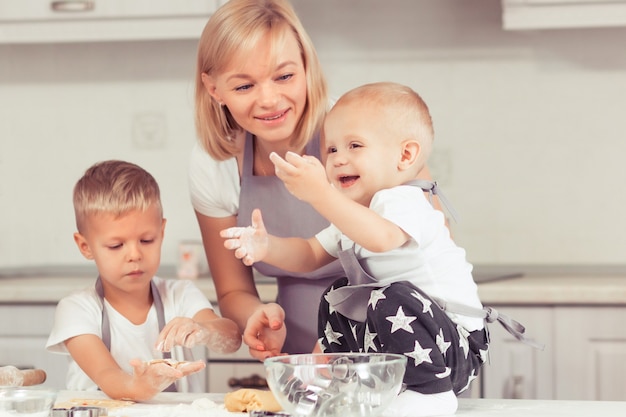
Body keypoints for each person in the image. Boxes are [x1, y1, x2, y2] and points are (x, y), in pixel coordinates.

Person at [189, 0, 443, 360]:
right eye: (244, 86)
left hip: (399, 340)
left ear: (307, 66)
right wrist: (257, 317)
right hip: (297, 349)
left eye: (285, 76)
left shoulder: (364, 135)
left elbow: (427, 245)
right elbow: (232, 291)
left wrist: (343, 340)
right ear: (214, 89)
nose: (269, 99)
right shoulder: (214, 163)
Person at [221, 82, 489, 416]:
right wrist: (267, 246)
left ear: (405, 156)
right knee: (338, 294)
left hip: (456, 348)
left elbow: (382, 239)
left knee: (387, 296)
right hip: (409, 346)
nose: (338, 159)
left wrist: (321, 194)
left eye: (355, 145)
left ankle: (431, 394)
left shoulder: (404, 200)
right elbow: (308, 255)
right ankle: (330, 380)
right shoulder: (357, 216)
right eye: (331, 149)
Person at [46, 160, 241, 401]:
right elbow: (108, 376)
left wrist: (204, 330)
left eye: (147, 240)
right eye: (116, 246)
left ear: (161, 232)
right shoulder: (77, 310)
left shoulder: (181, 295)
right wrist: (141, 385)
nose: (135, 255)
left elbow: (230, 339)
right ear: (85, 246)